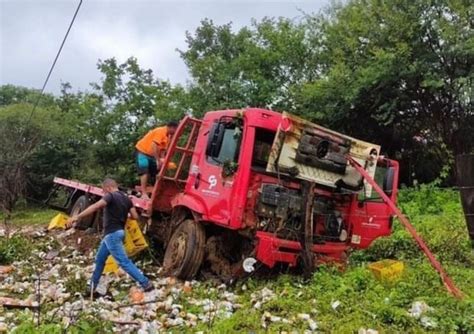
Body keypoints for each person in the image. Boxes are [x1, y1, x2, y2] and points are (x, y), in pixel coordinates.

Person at [67, 178, 154, 295]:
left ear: (108, 187)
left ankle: (146, 283)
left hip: (112, 234)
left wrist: (78, 217)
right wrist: (124, 214)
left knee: (123, 262)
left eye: (104, 191)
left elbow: (96, 206)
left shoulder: (111, 196)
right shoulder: (127, 199)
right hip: (117, 233)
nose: (104, 194)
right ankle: (92, 287)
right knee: (100, 259)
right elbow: (135, 216)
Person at [135, 121, 178, 198]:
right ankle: (144, 193)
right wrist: (158, 160)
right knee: (144, 169)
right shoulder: (160, 131)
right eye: (175, 130)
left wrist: (162, 161)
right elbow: (153, 146)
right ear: (171, 127)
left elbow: (162, 151)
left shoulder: (168, 137)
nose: (176, 132)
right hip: (142, 152)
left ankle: (155, 189)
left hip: (152, 155)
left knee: (167, 167)